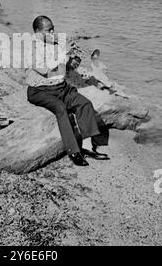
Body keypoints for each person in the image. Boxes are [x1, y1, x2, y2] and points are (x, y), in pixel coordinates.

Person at [26, 16, 109, 167]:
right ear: (37, 32)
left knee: (85, 104)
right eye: (48, 30)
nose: (52, 32)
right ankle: (73, 151)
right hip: (39, 90)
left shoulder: (56, 43)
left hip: (60, 87)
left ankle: (88, 147)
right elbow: (45, 70)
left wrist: (74, 60)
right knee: (61, 108)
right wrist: (63, 57)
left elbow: (64, 68)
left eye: (53, 28)